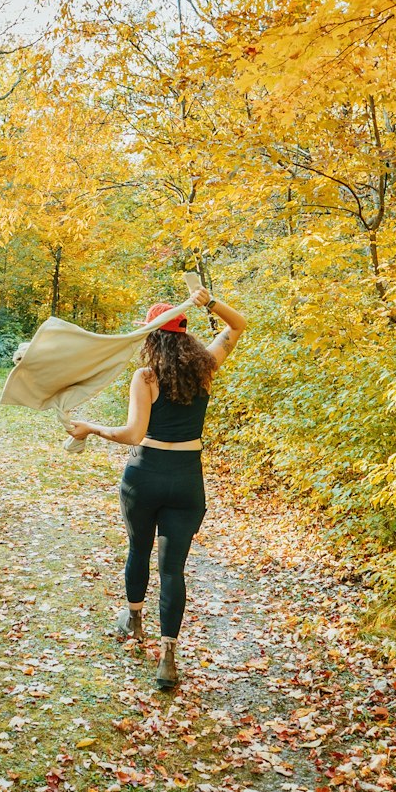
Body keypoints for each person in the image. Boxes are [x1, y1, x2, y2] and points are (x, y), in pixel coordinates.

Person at [67, 285, 247, 689]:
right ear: (185, 333)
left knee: (138, 549)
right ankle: (167, 657)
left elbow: (133, 434)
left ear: (150, 335)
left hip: (144, 476)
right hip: (186, 481)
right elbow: (238, 325)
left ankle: (133, 619)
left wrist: (92, 428)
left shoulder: (145, 377)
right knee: (173, 570)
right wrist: (210, 303)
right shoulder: (207, 366)